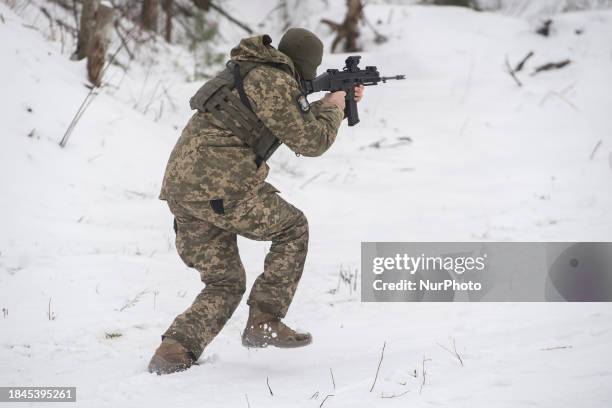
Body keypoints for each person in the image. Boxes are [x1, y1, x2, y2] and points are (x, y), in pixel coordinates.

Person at [148, 28, 365, 375]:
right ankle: (264, 320)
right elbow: (311, 142)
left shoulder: (250, 69)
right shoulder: (273, 81)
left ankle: (174, 350)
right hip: (220, 184)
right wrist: (336, 108)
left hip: (184, 188)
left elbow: (289, 120)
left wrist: (325, 103)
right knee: (293, 229)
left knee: (225, 281)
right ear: (308, 67)